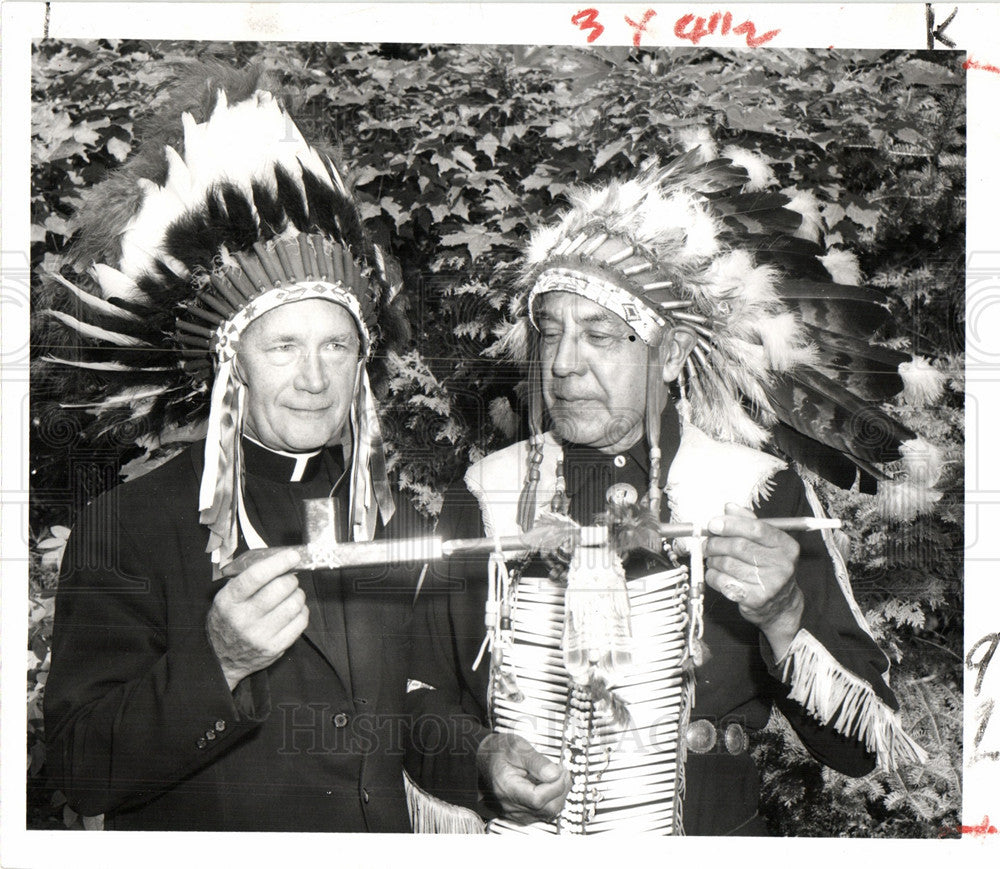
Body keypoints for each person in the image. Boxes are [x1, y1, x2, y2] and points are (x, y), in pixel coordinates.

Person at [405, 150, 940, 835]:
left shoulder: (755, 494)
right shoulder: (486, 494)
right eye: (551, 332)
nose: (564, 363)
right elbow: (417, 699)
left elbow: (863, 746)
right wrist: (479, 754)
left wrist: (783, 617)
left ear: (675, 352)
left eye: (600, 334)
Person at [42, 64, 426, 832]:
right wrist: (219, 660)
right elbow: (82, 771)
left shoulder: (398, 514)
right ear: (231, 364)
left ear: (363, 360)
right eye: (283, 345)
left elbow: (414, 713)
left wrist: (483, 756)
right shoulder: (128, 526)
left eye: (337, 346)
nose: (315, 377)